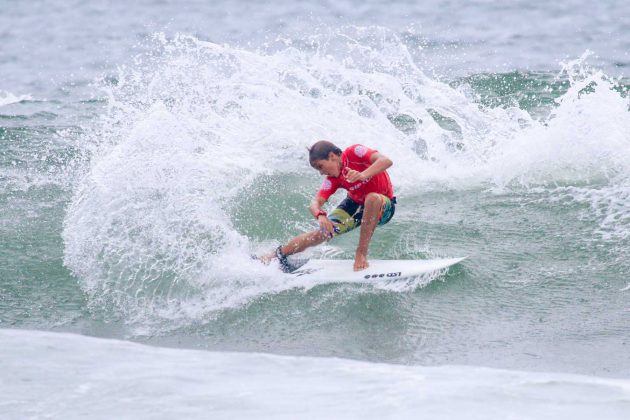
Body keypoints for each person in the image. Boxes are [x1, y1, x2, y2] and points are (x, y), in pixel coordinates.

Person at [260, 140, 396, 271]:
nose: (321, 172)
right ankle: (277, 255)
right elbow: (315, 203)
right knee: (321, 233)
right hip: (354, 204)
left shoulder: (355, 151)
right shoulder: (333, 179)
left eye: (320, 166)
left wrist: (362, 175)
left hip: (383, 207)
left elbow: (386, 161)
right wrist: (320, 215)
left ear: (332, 156)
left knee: (372, 198)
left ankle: (361, 254)